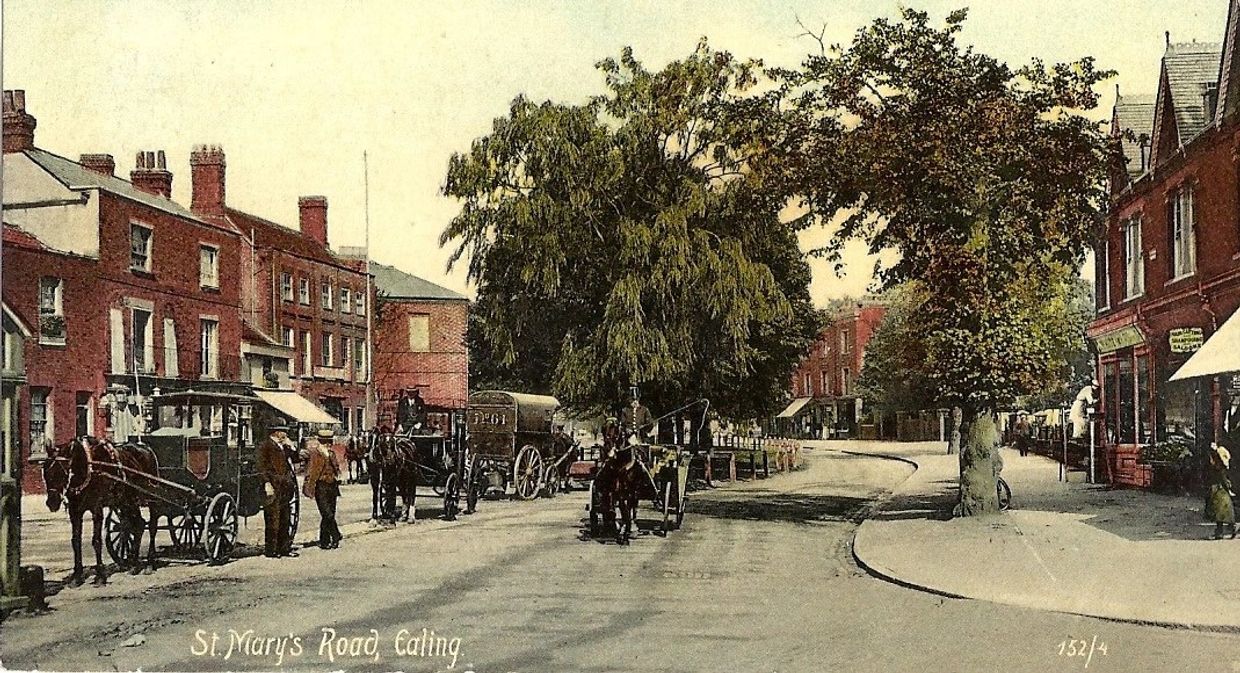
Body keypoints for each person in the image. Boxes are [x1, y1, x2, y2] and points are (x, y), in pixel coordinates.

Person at [257, 424, 299, 558]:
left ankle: (285, 548)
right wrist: (266, 483)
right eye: (283, 432)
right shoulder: (265, 446)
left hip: (284, 487)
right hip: (273, 485)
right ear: (276, 432)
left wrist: (292, 447)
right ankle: (271, 550)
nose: (286, 434)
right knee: (273, 519)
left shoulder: (284, 447)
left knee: (285, 517)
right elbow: (261, 466)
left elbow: (296, 459)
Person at [304, 429, 343, 549]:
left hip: (332, 485)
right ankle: (336, 535)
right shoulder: (315, 453)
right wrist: (308, 485)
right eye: (326, 441)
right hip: (320, 485)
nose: (328, 444)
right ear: (321, 441)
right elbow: (310, 470)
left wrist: (338, 474)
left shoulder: (331, 453)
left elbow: (336, 468)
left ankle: (324, 541)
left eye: (329, 441)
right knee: (327, 513)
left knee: (329, 514)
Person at [1207, 443, 1236, 540]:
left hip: (1219, 491)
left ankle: (1223, 531)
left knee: (1220, 513)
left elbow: (1223, 480)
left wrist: (1228, 489)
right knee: (1224, 513)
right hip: (1219, 491)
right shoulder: (1219, 468)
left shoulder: (1219, 469)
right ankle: (1230, 528)